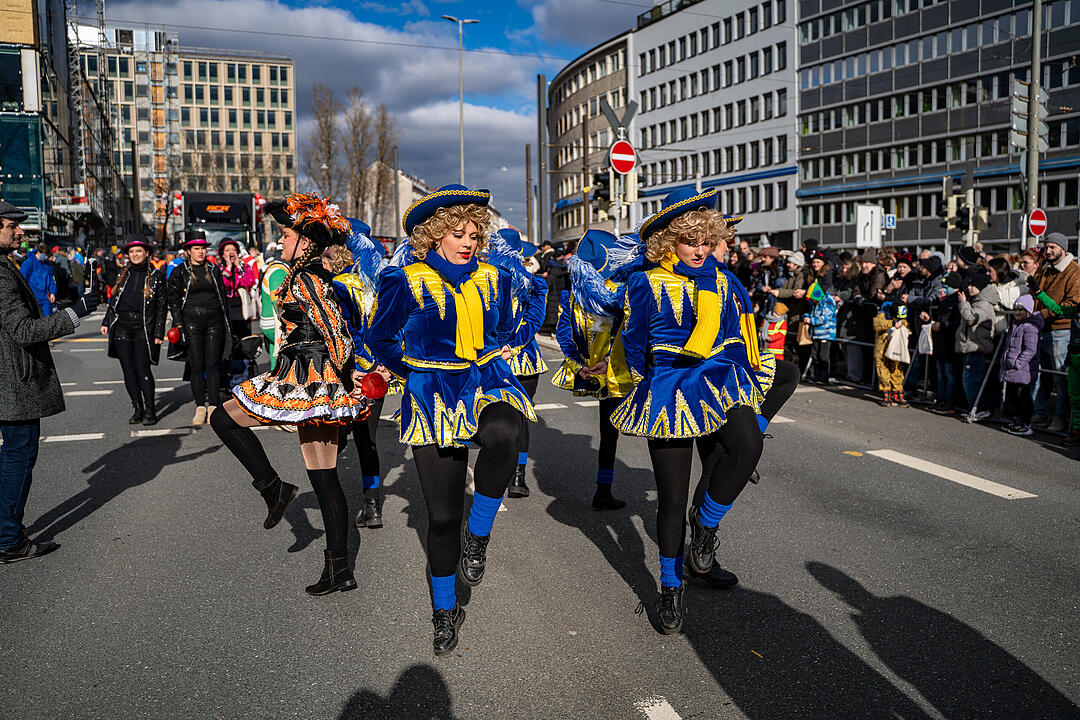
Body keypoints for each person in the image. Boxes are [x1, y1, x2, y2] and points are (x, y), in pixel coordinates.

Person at [368, 184, 537, 656]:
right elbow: (378, 338)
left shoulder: (496, 277)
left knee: (506, 433)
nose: (467, 241)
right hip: (432, 393)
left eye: (473, 233)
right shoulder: (405, 279)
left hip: (485, 379)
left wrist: (510, 343)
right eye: (457, 233)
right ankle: (445, 611)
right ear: (434, 236)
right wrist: (410, 372)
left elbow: (508, 327)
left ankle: (478, 536)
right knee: (442, 518)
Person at [611, 187, 768, 634]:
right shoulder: (645, 281)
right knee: (672, 497)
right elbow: (634, 342)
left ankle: (706, 525)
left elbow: (739, 329)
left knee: (747, 444)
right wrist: (645, 384)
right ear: (668, 242)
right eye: (690, 241)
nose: (700, 250)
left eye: (705, 240)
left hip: (719, 379)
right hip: (668, 388)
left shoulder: (723, 279)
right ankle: (669, 587)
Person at [209, 193, 370, 595]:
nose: (281, 241)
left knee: (223, 417)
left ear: (306, 241)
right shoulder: (310, 273)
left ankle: (274, 489)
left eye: (285, 235)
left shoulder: (306, 277)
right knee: (323, 477)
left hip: (309, 375)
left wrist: (342, 376)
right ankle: (339, 568)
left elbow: (336, 331)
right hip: (306, 371)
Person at [0, 201, 98, 562]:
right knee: (18, 456)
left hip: (10, 379)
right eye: (12, 225)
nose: (20, 231)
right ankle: (9, 539)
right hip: (13, 381)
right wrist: (76, 313)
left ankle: (7, 531)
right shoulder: (0, 272)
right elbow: (23, 331)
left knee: (13, 455)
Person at [551, 229, 633, 510]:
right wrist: (611, 360)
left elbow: (565, 335)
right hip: (625, 372)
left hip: (596, 374)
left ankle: (603, 489)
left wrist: (580, 366)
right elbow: (631, 333)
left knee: (608, 432)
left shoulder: (576, 295)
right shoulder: (625, 290)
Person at [326, 218, 400, 528]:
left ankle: (331, 501)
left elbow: (339, 333)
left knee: (333, 435)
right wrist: (386, 363)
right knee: (366, 439)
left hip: (349, 372)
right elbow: (397, 325)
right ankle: (372, 507)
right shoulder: (384, 281)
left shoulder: (339, 286)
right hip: (378, 370)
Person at [486, 228, 549, 499]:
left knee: (499, 417)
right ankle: (518, 477)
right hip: (523, 359)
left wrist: (498, 346)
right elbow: (534, 320)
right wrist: (515, 344)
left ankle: (503, 473)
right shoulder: (531, 282)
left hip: (495, 358)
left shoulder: (483, 278)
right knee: (522, 418)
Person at [100, 237, 167, 425]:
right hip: (121, 326)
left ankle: (150, 410)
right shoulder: (123, 274)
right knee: (128, 371)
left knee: (143, 369)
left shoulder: (156, 276)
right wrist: (106, 321)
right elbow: (113, 302)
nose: (135, 255)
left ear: (147, 253)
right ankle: (138, 408)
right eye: (132, 252)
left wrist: (158, 333)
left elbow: (161, 307)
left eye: (139, 251)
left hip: (143, 328)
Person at [167, 230, 231, 425]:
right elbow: (174, 300)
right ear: (188, 251)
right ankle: (200, 407)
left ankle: (212, 406)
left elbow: (222, 299)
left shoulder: (213, 269)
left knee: (213, 365)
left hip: (214, 322)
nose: (201, 252)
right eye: (197, 249)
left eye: (203, 248)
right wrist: (179, 324)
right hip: (191, 323)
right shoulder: (180, 271)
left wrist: (227, 324)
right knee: (196, 366)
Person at [1030, 233, 1080, 432]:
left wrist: (1042, 313)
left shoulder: (1074, 272)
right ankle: (1040, 413)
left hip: (1062, 330)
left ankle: (1060, 417)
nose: (1048, 251)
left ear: (1063, 249)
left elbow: (1071, 305)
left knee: (1061, 378)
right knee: (1038, 375)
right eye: (1046, 247)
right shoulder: (1045, 269)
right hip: (1040, 328)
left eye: (1052, 247)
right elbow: (1035, 295)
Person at [999, 295, 1043, 436]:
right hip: (1012, 369)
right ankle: (1017, 419)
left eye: (1021, 309)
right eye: (1015, 309)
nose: (1017, 312)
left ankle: (1025, 422)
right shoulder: (1015, 324)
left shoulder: (1030, 327)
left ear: (1028, 311)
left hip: (1022, 369)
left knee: (1022, 396)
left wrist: (1017, 363)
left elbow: (1030, 349)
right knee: (1012, 396)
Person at [956, 273, 998, 417]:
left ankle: (980, 409)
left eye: (973, 285)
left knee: (972, 380)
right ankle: (976, 408)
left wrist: (963, 303)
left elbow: (971, 318)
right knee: (970, 380)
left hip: (977, 347)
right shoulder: (977, 301)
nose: (969, 288)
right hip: (971, 346)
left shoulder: (983, 304)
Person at [218, 237, 258, 385]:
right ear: (222, 254)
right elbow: (224, 283)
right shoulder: (219, 269)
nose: (231, 253)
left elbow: (249, 280)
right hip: (226, 311)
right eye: (227, 251)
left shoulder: (243, 267)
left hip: (241, 311)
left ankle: (242, 376)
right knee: (227, 344)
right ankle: (225, 377)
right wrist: (229, 267)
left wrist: (238, 267)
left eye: (233, 250)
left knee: (243, 343)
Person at [873, 303, 909, 406]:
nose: (898, 320)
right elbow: (876, 325)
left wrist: (903, 325)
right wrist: (892, 324)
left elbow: (907, 326)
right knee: (882, 371)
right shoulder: (882, 316)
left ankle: (897, 394)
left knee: (897, 371)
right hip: (882, 350)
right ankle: (886, 393)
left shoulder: (902, 319)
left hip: (896, 349)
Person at [19, 242, 57, 317]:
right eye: (45, 255)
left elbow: (51, 280)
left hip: (45, 299)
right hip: (33, 299)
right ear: (39, 252)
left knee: (47, 321)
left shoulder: (47, 265)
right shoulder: (28, 263)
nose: (46, 257)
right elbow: (22, 281)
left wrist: (52, 292)